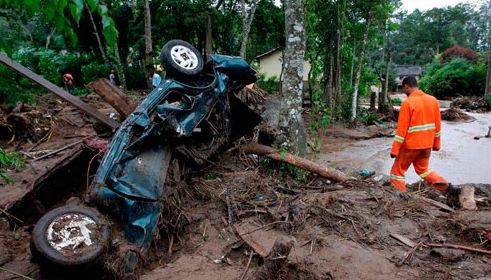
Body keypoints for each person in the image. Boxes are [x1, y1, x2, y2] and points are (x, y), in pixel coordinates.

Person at [389, 76, 448, 194]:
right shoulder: (433, 100)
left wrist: (395, 150)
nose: (404, 92)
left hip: (411, 146)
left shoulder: (407, 103)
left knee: (397, 172)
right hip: (427, 145)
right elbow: (437, 126)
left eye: (404, 89)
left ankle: (400, 196)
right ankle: (443, 185)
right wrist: (436, 144)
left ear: (406, 86)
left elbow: (401, 131)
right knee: (423, 169)